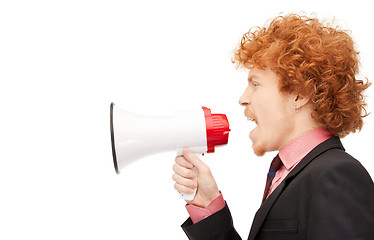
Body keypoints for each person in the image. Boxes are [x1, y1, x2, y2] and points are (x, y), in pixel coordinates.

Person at [172, 13, 374, 240]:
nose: (243, 98)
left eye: (255, 84)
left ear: (299, 94)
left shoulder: (337, 175)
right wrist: (209, 206)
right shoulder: (292, 173)